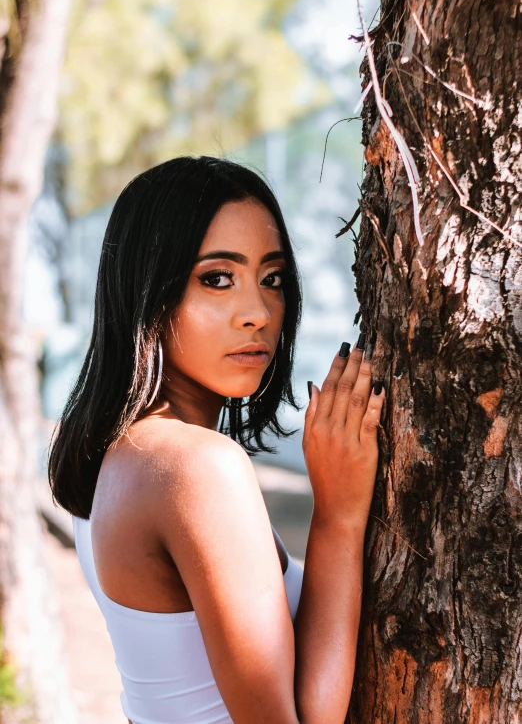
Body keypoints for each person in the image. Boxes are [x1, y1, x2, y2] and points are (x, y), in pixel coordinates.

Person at [48, 155, 385, 724]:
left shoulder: (108, 456)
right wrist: (340, 516)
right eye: (217, 278)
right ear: (149, 289)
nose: (258, 313)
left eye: (272, 279)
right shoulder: (195, 466)